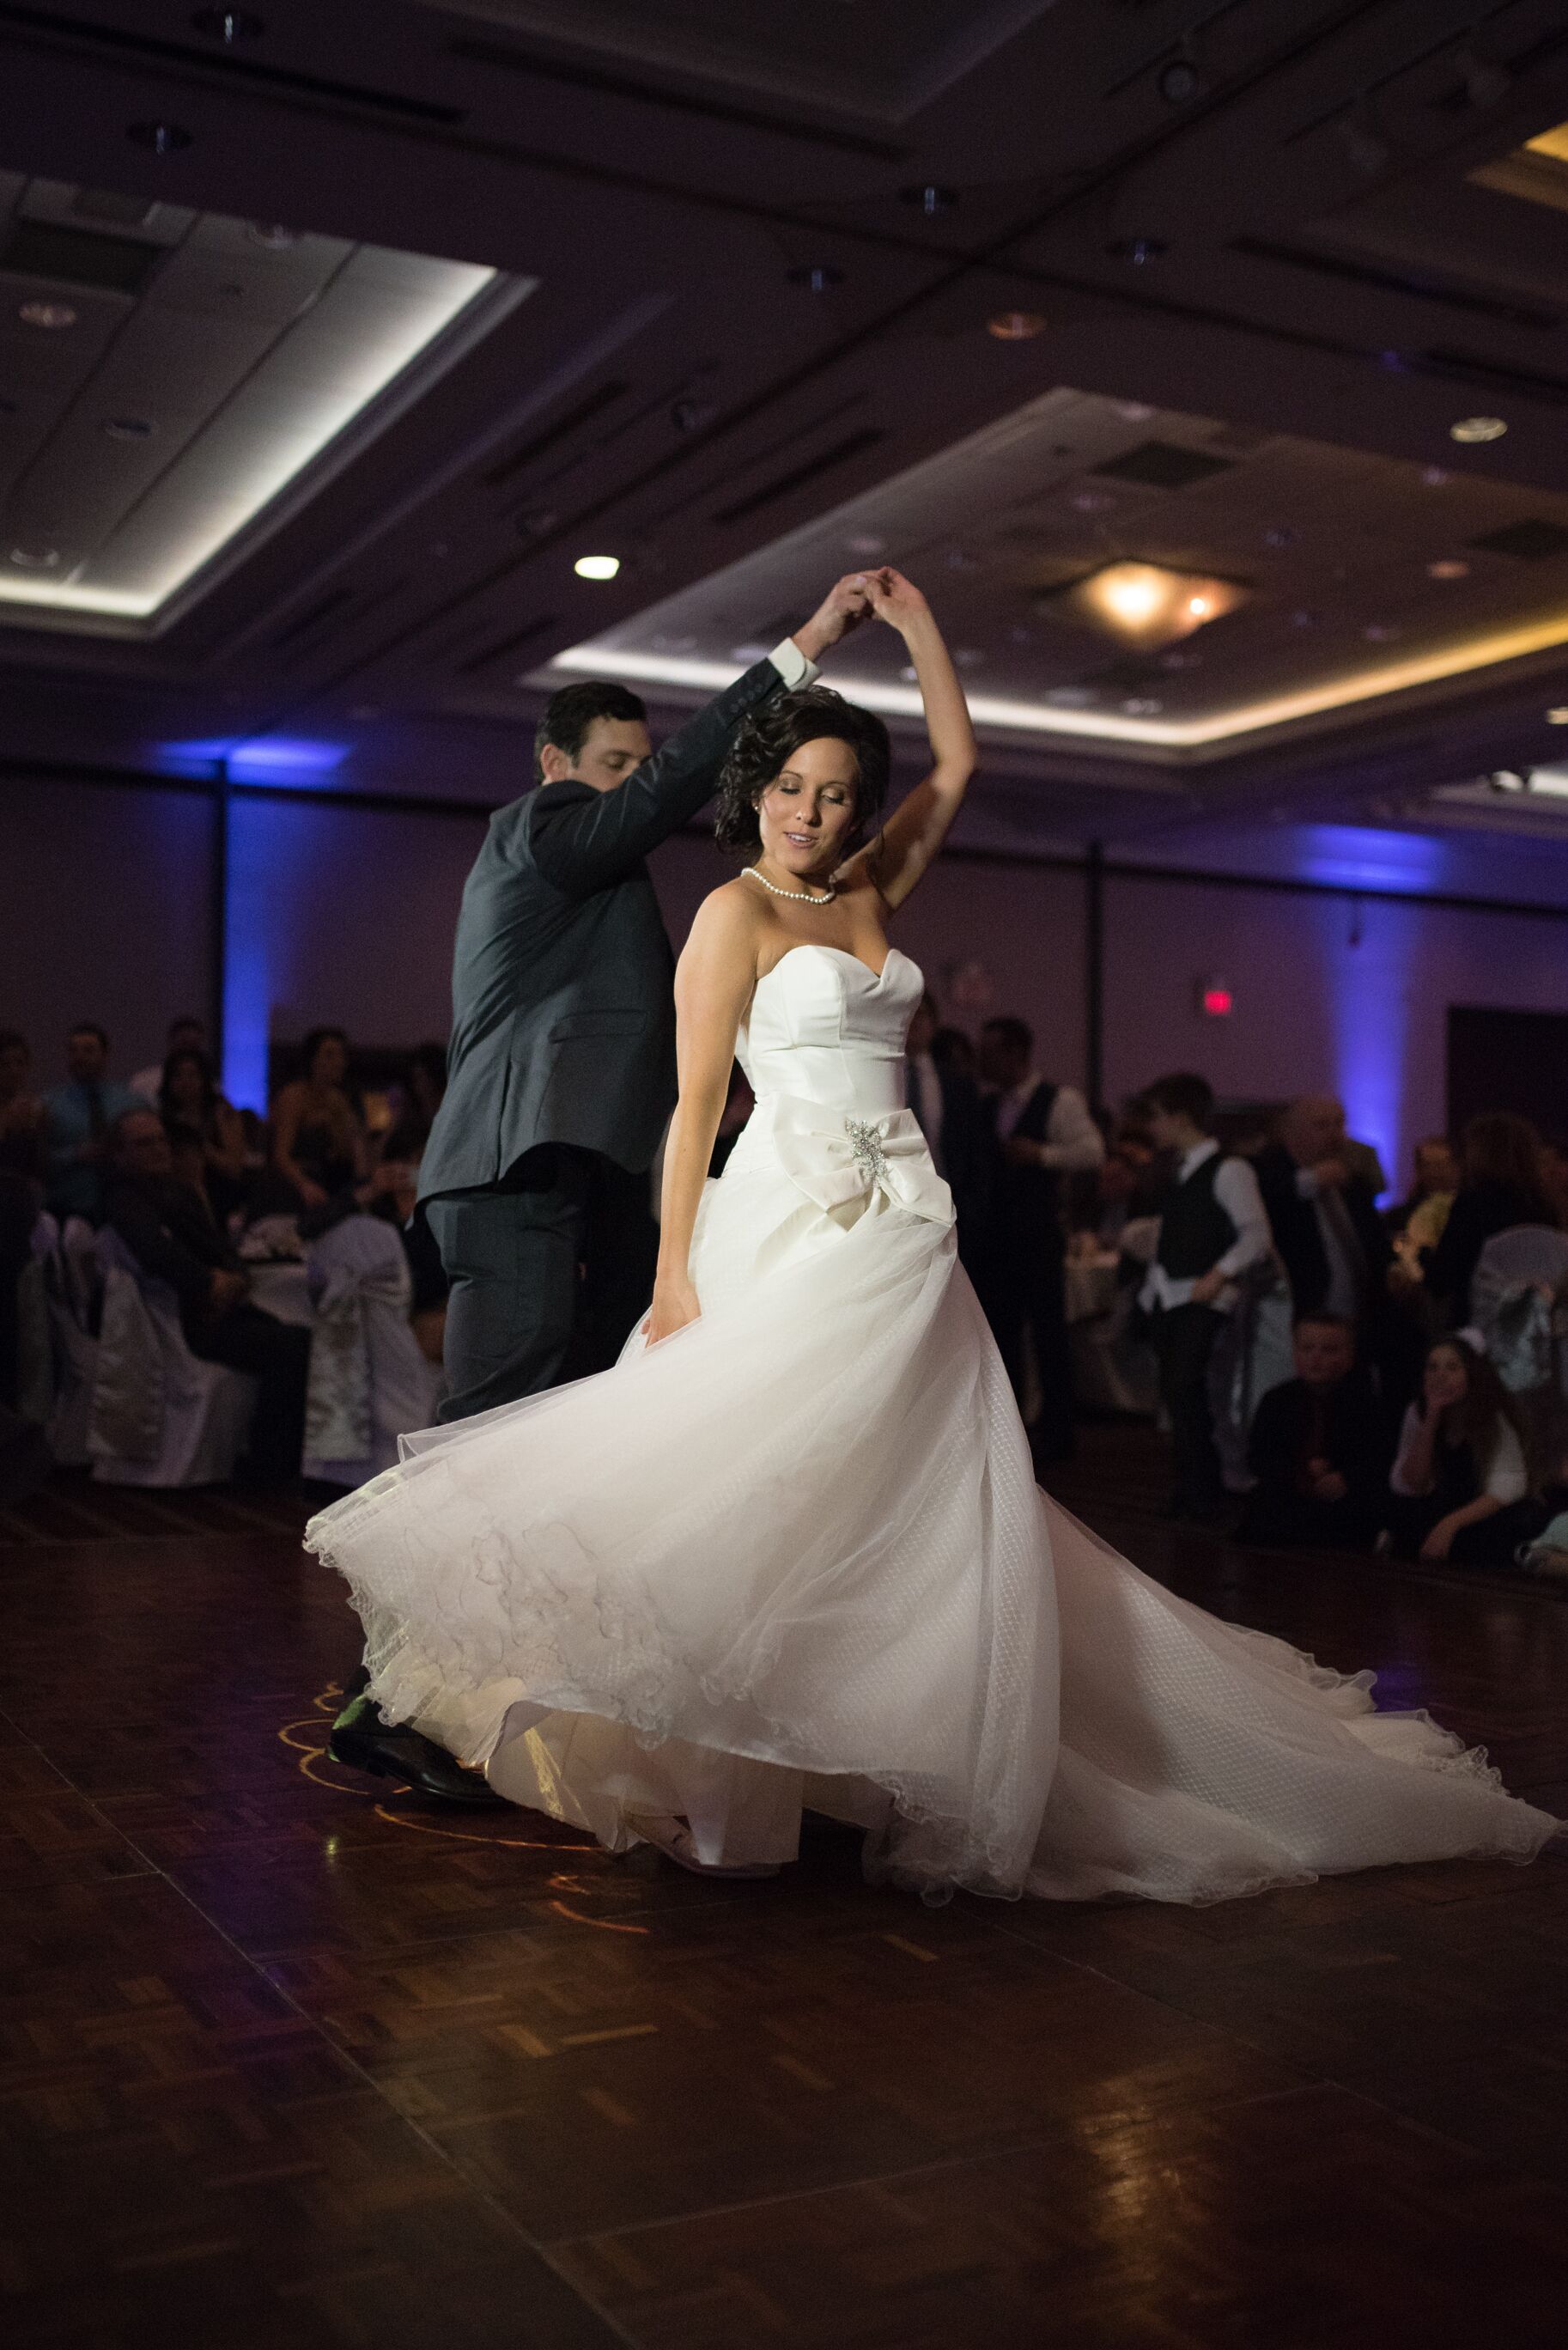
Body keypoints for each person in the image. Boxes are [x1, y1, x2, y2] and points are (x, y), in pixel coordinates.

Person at [305, 569, 1557, 1902]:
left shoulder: (870, 894)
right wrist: (673, 1275)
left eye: (838, 794)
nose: (812, 813)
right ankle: (719, 1760)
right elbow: (689, 1117)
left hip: (903, 1231)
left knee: (915, 1500)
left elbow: (958, 758)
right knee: (762, 1492)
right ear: (758, 789)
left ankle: (862, 1749)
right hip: (783, 1221)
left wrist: (913, 630)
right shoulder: (727, 915)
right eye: (793, 788)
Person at [324, 573, 875, 1805]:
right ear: (552, 762)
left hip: (560, 1176)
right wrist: (800, 654)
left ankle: (468, 1702)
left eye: (636, 762)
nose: (636, 782)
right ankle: (390, 1696)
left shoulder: (592, 861)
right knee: (484, 1446)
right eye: (614, 762)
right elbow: (683, 783)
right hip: (518, 1172)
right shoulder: (538, 827)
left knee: (547, 1451)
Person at [103, 1109, 310, 1484]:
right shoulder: (125, 1199)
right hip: (183, 1320)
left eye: (160, 1139)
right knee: (292, 1348)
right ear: (121, 1155)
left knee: (299, 1340)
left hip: (219, 1308)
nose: (158, 1149)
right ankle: (269, 1465)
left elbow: (222, 1250)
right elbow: (156, 1253)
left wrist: (232, 1280)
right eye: (143, 1143)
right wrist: (208, 1283)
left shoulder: (177, 1190)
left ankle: (274, 1458)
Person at [1136, 1073, 1273, 1520]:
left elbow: (1256, 1236)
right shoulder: (1182, 1169)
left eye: (1156, 1117)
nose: (1151, 1127)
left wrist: (1219, 1275)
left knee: (1192, 1390)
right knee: (1181, 1395)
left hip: (1203, 1297)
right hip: (1174, 1295)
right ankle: (1194, 1484)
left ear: (1179, 1118)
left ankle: (1205, 1487)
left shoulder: (1229, 1169)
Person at [978, 1014, 1104, 1464]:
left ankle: (1058, 1431)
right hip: (997, 1235)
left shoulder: (1059, 1099)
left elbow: (1093, 1151)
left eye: (990, 1052)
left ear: (1015, 1053)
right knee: (1003, 1333)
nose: (982, 1061)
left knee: (1049, 1332)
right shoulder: (988, 1103)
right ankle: (1011, 1429)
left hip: (1038, 1231)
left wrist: (1042, 1154)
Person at [1238, 1313, 1392, 1550]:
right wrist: (1299, 1471)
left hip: (1342, 1501)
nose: (1315, 1358)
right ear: (1296, 1353)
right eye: (1307, 1349)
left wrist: (1346, 1478)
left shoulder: (1365, 1404)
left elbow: (1380, 1458)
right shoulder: (1277, 1401)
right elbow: (1258, 1456)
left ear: (1348, 1357)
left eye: (1328, 1350)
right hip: (1289, 1496)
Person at [1387, 1336, 1541, 1568]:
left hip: (1482, 1514)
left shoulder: (1493, 1416)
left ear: (1470, 1374)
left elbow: (1508, 1486)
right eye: (1432, 1367)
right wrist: (1431, 1418)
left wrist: (1450, 1524)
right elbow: (1413, 1483)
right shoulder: (1417, 1412)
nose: (1440, 1376)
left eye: (1452, 1368)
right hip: (1437, 1509)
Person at [1254, 1095, 1390, 1342]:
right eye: (1321, 1125)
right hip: (1301, 1316)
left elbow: (1374, 1240)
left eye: (1338, 1124)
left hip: (1358, 1318)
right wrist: (1310, 1181)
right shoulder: (1268, 1174)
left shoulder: (1352, 1183)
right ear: (1291, 1132)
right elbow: (1269, 1199)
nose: (1334, 1134)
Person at [1418, 1113, 1559, 1328]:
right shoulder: (1544, 1207)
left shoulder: (1472, 1204)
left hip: (1481, 1325)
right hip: (1533, 1325)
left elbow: (1443, 1276)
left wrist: (1424, 1254)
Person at [905, 989, 994, 1280]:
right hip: (902, 1202)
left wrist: (973, 1205)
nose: (915, 1023)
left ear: (934, 1022)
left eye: (922, 1015)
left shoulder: (955, 1082)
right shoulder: (884, 1078)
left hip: (953, 1203)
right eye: (908, 1015)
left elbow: (974, 1148)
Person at [42, 1024, 139, 1223]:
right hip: (68, 1210)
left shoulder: (131, 1103)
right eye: (73, 1050)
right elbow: (37, 1162)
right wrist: (74, 1154)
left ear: (105, 1055)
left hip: (126, 1209)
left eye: (88, 1050)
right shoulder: (48, 1106)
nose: (79, 1057)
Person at [267, 1028, 366, 1215]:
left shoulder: (338, 1100)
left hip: (326, 1181)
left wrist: (337, 1124)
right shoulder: (294, 1096)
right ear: (312, 1060)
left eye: (341, 1055)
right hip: (291, 1185)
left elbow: (348, 1153)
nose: (338, 1062)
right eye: (329, 1055)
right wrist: (304, 1185)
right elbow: (281, 1155)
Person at [160, 1047, 247, 1225]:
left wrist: (196, 1142)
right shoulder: (161, 1118)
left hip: (220, 1191)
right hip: (175, 1191)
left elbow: (234, 1167)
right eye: (177, 1076)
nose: (185, 1082)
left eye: (192, 1076)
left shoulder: (222, 1112)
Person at [1385, 1135, 1457, 1243]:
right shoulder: (1398, 1218)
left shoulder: (1468, 1213)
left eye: (1443, 1165)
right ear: (1418, 1169)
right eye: (1429, 1165)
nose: (1436, 1172)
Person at [131, 1016, 208, 1109]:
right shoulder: (143, 1082)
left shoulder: (211, 1085)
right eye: (184, 1044)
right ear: (171, 1043)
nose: (187, 1051)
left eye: (193, 1046)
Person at [0, 1029, 45, 1190]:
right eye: (5, 1064)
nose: (14, 1071)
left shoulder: (35, 1108)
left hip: (21, 1196)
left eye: (20, 1063)